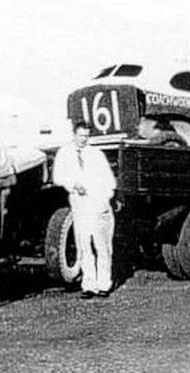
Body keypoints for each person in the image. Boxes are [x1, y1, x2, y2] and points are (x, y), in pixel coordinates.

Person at [52, 121, 116, 298]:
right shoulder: (64, 153)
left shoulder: (96, 154)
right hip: (79, 203)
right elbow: (58, 177)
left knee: (101, 245)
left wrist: (103, 199)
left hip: (97, 202)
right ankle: (89, 285)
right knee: (84, 245)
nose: (83, 140)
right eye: (80, 136)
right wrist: (73, 185)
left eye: (86, 137)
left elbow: (109, 181)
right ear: (74, 135)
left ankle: (104, 283)